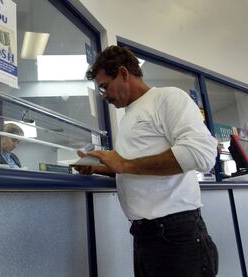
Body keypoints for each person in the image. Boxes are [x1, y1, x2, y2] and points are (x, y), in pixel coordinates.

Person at [76, 45, 219, 276]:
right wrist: (101, 168)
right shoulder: (129, 117)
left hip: (175, 233)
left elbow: (201, 154)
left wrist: (122, 164)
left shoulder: (167, 98)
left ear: (123, 73)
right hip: (145, 235)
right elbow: (137, 169)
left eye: (105, 87)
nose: (103, 96)